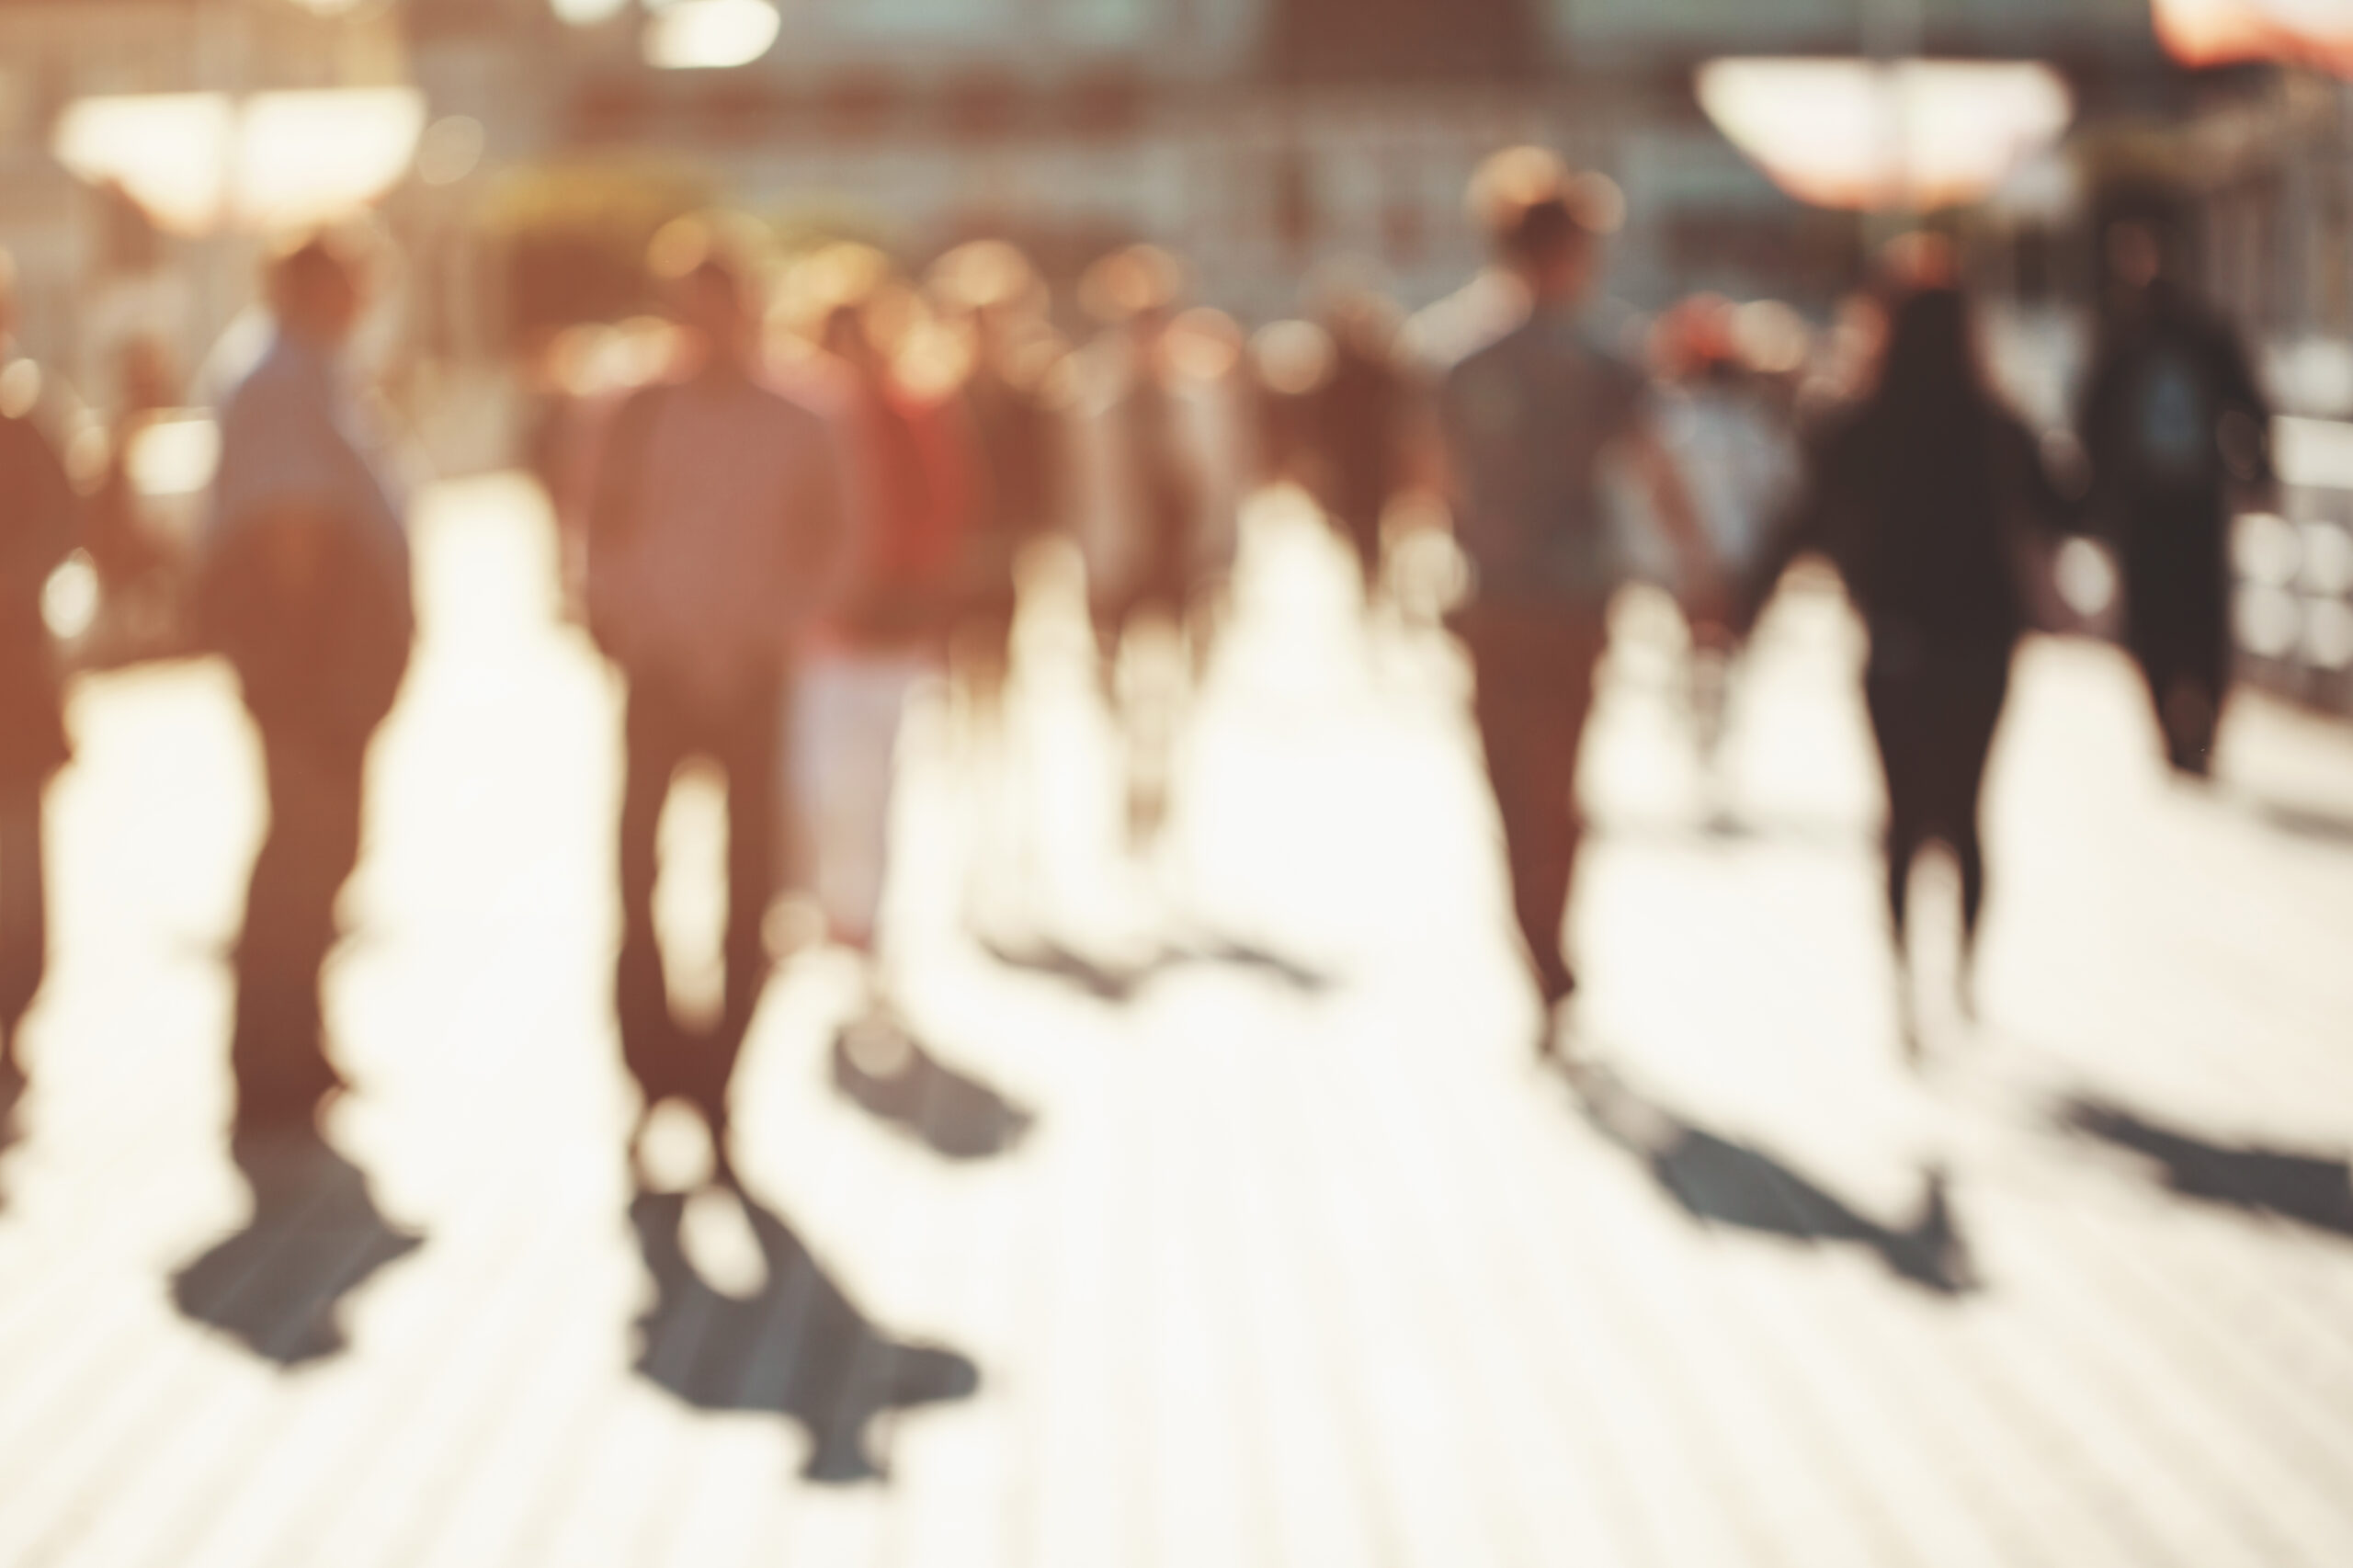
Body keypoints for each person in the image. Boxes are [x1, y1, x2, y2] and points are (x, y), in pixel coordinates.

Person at [1435, 151, 1719, 1061]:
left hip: (1488, 598)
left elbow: (1431, 481)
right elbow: (1655, 467)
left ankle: (1541, 946)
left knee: (1511, 784)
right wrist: (1698, 566)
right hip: (1571, 598)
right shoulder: (1603, 355)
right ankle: (1554, 950)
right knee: (1559, 782)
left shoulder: (1455, 351)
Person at [585, 231, 852, 1176]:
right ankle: (648, 1063)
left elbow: (831, 544)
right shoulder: (639, 410)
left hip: (752, 675)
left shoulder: (801, 415)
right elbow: (603, 537)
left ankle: (717, 1072)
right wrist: (649, 628)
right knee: (637, 871)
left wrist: (761, 634)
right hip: (661, 672)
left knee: (750, 883)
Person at [1757, 271, 2071, 1051]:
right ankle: (1962, 978)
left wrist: (1744, 606)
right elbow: (2066, 507)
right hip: (1983, 640)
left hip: (1893, 638)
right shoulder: (1998, 421)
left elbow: (1803, 524)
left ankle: (1903, 981)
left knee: (1901, 813)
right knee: (1966, 810)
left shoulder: (1852, 423)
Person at [199, 233, 415, 1129]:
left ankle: (292, 1039)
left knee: (315, 848)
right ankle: (274, 1055)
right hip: (311, 669)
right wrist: (320, 671)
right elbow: (291, 530)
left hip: (319, 668)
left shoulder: (304, 368)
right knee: (305, 848)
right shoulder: (284, 376)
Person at [2076, 220, 2271, 778]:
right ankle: (2170, 725)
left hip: (2194, 498)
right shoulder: (2117, 338)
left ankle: (2204, 729)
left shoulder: (2202, 331)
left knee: (2203, 619)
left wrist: (2258, 469)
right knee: (2149, 620)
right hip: (2141, 503)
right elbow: (2091, 422)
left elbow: (2249, 403)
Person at [0, 250, 77, 1097]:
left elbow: (64, 526)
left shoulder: (24, 421)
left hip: (11, 693)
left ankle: (9, 1018)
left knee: (17, 879)